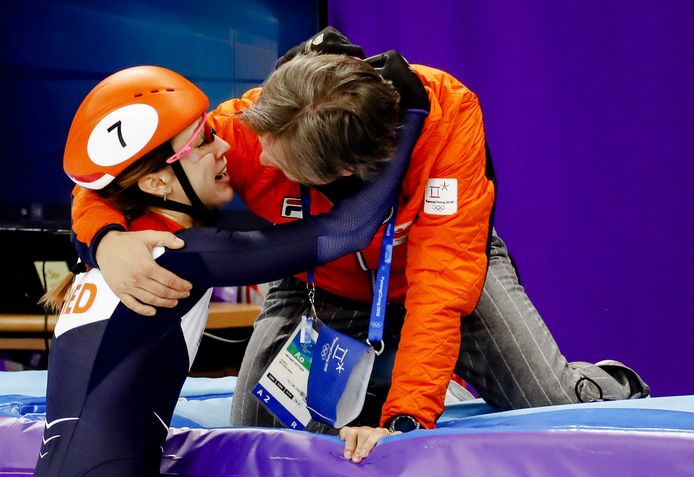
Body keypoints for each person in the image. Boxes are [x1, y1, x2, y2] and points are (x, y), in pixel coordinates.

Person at [67, 29, 649, 464]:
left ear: (342, 173)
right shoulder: (257, 124)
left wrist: (405, 417)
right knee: (260, 439)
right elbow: (112, 176)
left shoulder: (448, 117)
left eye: (277, 160)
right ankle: (377, 382)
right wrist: (105, 237)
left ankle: (614, 382)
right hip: (317, 288)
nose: (255, 157)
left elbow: (442, 286)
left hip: (437, 267)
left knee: (549, 401)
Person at [34, 63, 422, 476]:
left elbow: (95, 187)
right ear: (156, 184)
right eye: (201, 143)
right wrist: (410, 113)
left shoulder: (117, 242)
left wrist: (100, 238)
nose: (223, 148)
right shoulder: (180, 253)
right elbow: (348, 230)